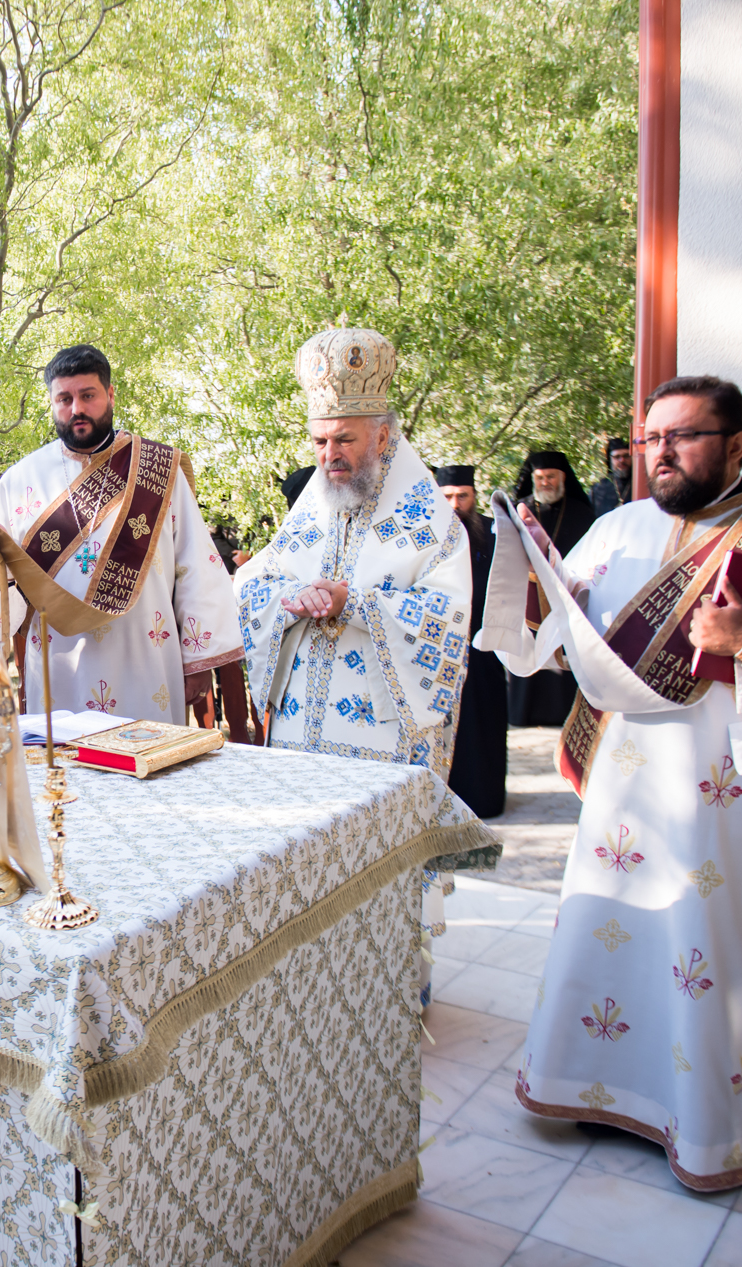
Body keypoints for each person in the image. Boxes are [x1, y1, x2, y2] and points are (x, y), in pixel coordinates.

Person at [481, 375, 742, 1191]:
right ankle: (596, 1091)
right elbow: (560, 643)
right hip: (625, 798)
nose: (660, 453)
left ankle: (707, 1130)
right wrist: (553, 608)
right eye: (651, 438)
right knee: (615, 934)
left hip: (731, 806)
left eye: (682, 437)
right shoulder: (617, 528)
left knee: (709, 951)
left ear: (736, 444)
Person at [236, 328, 491, 1005]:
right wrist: (289, 599)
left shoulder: (432, 523)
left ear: (384, 434)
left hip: (383, 739)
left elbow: (447, 621)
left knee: (377, 871)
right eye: (320, 441)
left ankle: (388, 999)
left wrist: (358, 603)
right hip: (302, 737)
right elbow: (256, 582)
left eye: (344, 440)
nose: (330, 456)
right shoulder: (312, 507)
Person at [0, 344, 242, 723]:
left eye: (88, 395)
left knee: (152, 754)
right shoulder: (20, 481)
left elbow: (194, 565)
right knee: (66, 758)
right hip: (60, 664)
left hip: (148, 660)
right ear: (52, 403)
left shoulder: (158, 469)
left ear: (109, 394)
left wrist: (197, 659)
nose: (77, 408)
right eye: (64, 399)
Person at [437, 464, 507, 817]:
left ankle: (486, 798)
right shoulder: (425, 537)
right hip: (438, 649)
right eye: (448, 496)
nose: (455, 504)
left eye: (462, 496)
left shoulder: (493, 537)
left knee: (485, 724)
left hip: (483, 649)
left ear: (474, 496)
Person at [508, 448, 597, 725]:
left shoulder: (582, 513)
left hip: (566, 593)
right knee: (529, 646)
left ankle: (564, 712)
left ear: (563, 478)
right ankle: (524, 713)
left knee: (565, 647)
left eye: (551, 477)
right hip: (528, 592)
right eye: (540, 477)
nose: (545, 482)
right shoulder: (519, 510)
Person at [590, 435, 634, 516]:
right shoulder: (598, 489)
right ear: (610, 459)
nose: (622, 460)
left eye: (626, 456)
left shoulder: (641, 485)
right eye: (617, 457)